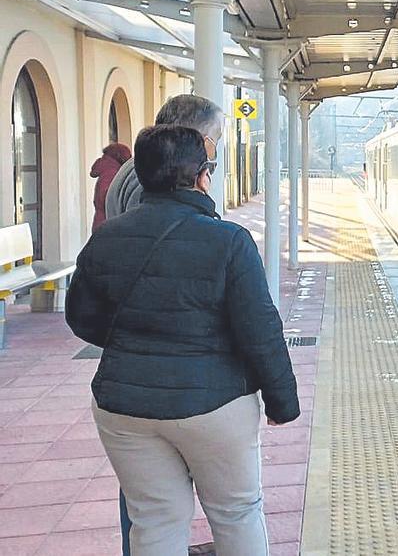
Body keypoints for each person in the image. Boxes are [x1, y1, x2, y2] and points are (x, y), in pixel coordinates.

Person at [66, 125, 299, 555]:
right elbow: (261, 330)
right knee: (237, 514)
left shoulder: (107, 238)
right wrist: (282, 402)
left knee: (154, 520)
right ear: (201, 177)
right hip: (214, 406)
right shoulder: (228, 241)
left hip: (124, 407)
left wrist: (134, 342)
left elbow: (80, 318)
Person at [104, 94, 227, 555]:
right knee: (154, 488)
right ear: (190, 140)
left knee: (144, 481)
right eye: (212, 142)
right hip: (167, 360)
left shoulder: (133, 175)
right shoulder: (153, 187)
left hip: (137, 355)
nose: (213, 156)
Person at [106, 94, 224, 220]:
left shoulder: (145, 166)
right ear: (199, 139)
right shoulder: (155, 176)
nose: (214, 153)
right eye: (215, 141)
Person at [89, 142, 132, 231]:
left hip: (103, 223)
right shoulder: (111, 171)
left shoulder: (110, 169)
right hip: (107, 225)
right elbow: (106, 197)